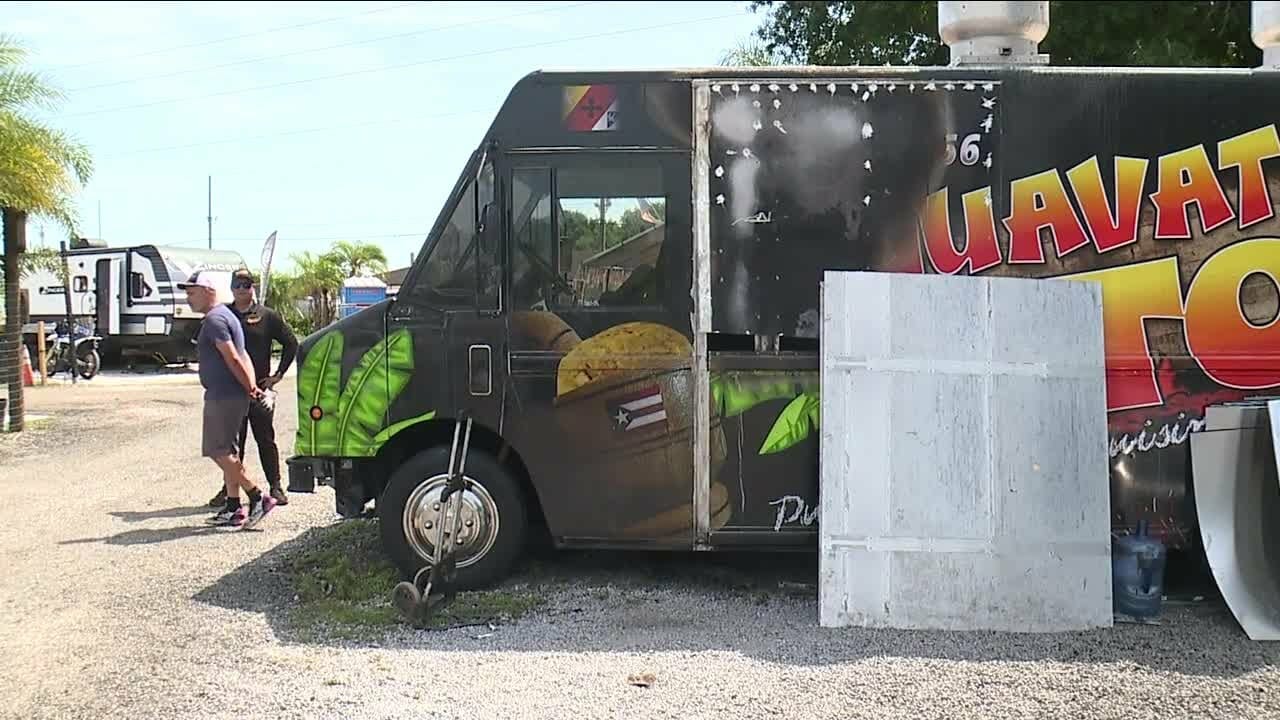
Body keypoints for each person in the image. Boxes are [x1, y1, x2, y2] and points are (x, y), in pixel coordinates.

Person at [178, 270, 278, 529]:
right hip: (230, 394)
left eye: (192, 292)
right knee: (229, 452)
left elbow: (233, 357)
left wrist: (251, 388)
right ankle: (233, 507)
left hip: (224, 396)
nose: (188, 298)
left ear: (208, 291)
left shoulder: (215, 320)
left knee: (217, 450)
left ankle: (257, 496)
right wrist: (251, 386)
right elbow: (244, 356)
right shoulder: (227, 316)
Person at [208, 268, 298, 508]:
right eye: (237, 284)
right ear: (231, 287)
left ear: (253, 287)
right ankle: (230, 491)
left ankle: (276, 487)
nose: (241, 289)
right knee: (232, 444)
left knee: (265, 439)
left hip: (258, 391)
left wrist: (277, 375)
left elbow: (291, 344)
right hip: (230, 391)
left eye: (246, 284)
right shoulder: (223, 315)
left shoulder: (267, 316)